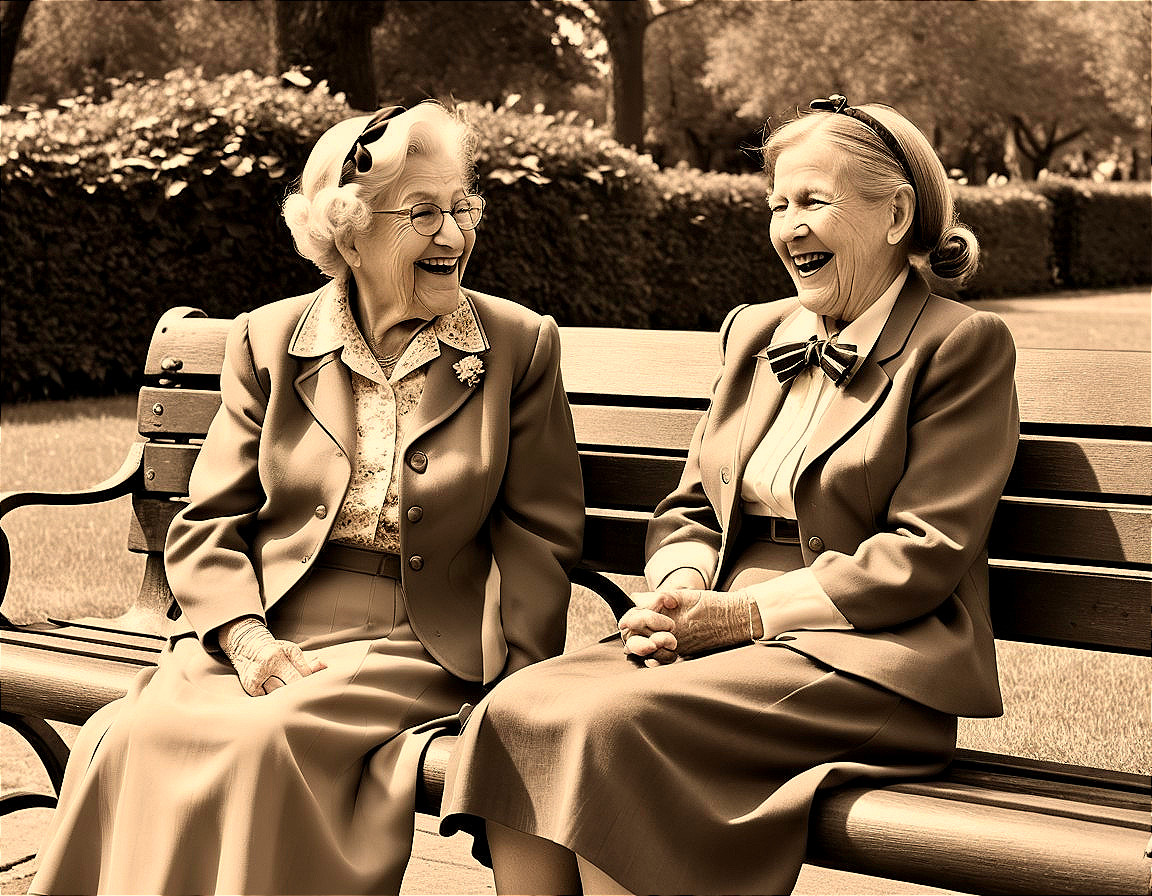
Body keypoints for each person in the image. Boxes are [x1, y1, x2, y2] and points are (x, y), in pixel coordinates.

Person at [439, 94, 1020, 895]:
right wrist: (680, 589)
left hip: (875, 662)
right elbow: (691, 507)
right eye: (778, 204)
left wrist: (745, 615)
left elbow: (925, 554)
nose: (789, 226)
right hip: (721, 638)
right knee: (518, 711)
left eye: (814, 201)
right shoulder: (757, 331)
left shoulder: (959, 343)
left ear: (895, 216)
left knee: (612, 727)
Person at [29, 99, 584, 896]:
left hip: (415, 638)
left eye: (462, 207)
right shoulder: (269, 339)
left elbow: (541, 531)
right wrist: (246, 641)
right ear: (347, 233)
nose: (455, 235)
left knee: (267, 745)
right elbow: (210, 521)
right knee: (131, 734)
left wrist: (520, 688)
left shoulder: (517, 346)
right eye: (423, 213)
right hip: (266, 624)